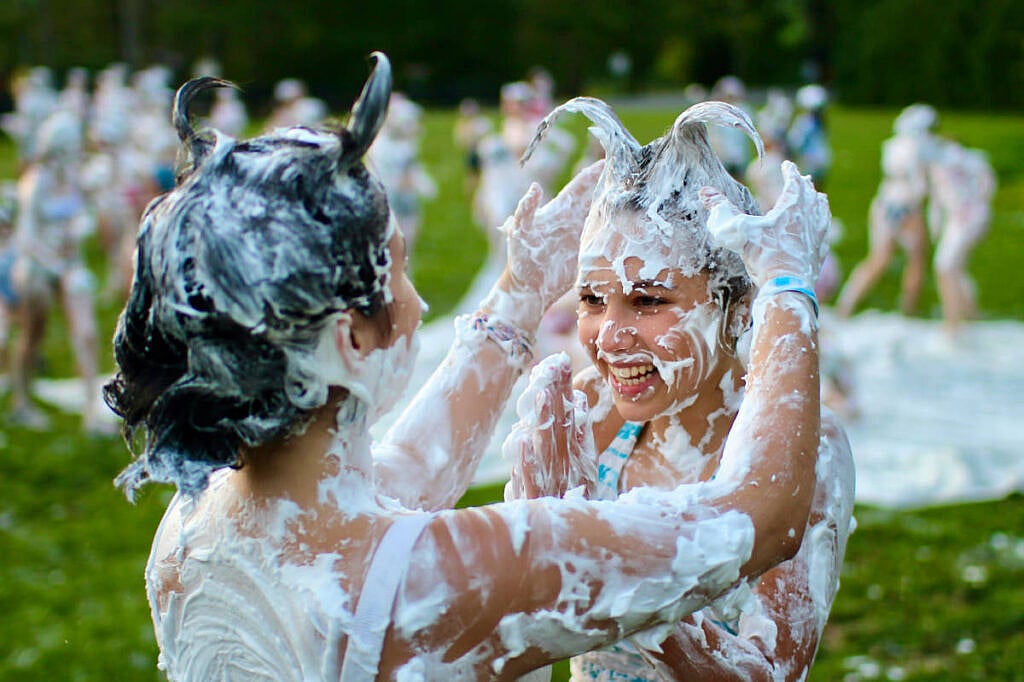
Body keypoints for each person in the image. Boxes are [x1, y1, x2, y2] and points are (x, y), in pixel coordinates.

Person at [111, 54, 825, 680]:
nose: (419, 302)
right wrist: (787, 285)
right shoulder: (443, 577)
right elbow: (761, 515)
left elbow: (406, 469)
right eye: (399, 270)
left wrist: (519, 295)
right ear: (349, 341)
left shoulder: (193, 528)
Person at [507, 97, 855, 680]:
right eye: (591, 299)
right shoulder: (587, 409)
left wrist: (618, 578)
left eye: (648, 300)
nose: (609, 337)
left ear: (735, 307)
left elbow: (770, 671)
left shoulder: (802, 446)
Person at [7, 107, 102, 431]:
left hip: (69, 262)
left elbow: (84, 213)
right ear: (57, 147)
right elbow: (25, 238)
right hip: (38, 264)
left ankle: (91, 411)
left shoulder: (73, 178)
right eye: (72, 145)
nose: (77, 151)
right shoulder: (35, 182)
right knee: (33, 334)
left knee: (87, 333)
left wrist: (80, 228)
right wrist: (57, 265)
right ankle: (21, 402)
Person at [835, 104, 939, 318]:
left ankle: (845, 305)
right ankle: (909, 309)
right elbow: (920, 185)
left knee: (878, 258)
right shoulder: (922, 148)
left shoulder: (892, 146)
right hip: (907, 206)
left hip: (884, 203)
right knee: (916, 260)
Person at [926, 136, 996, 335]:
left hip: (964, 218)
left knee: (945, 266)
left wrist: (971, 205)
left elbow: (986, 182)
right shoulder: (963, 161)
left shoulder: (952, 162)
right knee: (955, 268)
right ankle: (969, 315)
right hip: (963, 218)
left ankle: (953, 322)